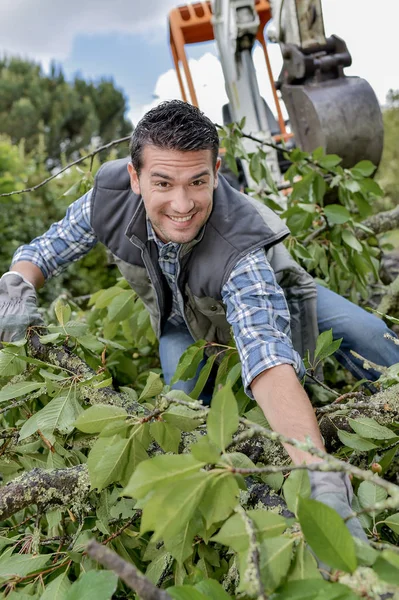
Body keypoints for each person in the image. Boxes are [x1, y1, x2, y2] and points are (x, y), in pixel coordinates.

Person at [0, 100, 396, 542]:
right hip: (182, 326)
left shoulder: (238, 242)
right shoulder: (107, 198)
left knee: (368, 334)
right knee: (181, 417)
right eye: (163, 182)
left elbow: (265, 357)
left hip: (277, 294)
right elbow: (45, 250)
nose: (182, 203)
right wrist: (16, 285)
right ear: (135, 177)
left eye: (197, 182)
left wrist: (320, 477)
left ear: (216, 171)